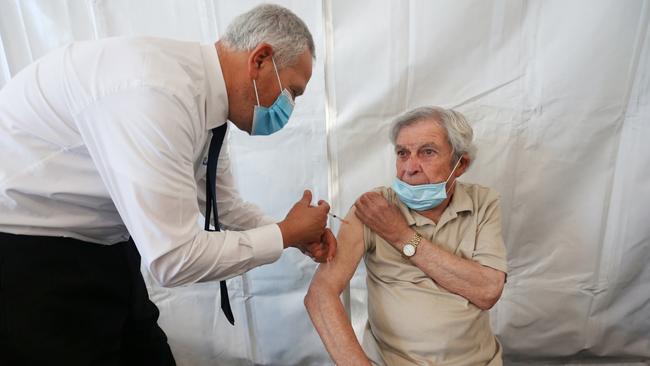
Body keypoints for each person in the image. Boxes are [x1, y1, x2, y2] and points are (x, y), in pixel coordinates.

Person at [0, 4, 336, 365]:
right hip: (30, 253)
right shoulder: (155, 94)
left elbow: (223, 205)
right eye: (292, 93)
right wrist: (284, 234)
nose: (289, 107)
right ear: (260, 59)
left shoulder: (205, 103)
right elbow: (173, 259)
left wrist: (293, 233)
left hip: (103, 243)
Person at [305, 106, 508, 365]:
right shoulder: (372, 208)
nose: (409, 168)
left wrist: (401, 235)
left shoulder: (483, 203)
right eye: (402, 153)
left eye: (428, 152)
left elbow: (488, 291)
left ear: (461, 164)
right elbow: (320, 295)